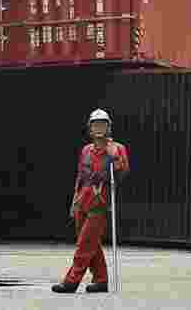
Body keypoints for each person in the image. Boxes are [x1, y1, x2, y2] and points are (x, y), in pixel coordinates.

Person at [52, 108, 130, 294]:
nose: (99, 128)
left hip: (99, 202)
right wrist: (74, 201)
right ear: (90, 127)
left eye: (102, 124)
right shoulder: (86, 150)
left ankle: (71, 281)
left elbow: (122, 172)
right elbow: (80, 177)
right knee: (91, 244)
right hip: (82, 202)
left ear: (109, 127)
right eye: (95, 124)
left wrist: (114, 157)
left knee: (85, 245)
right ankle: (101, 280)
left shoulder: (117, 148)